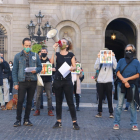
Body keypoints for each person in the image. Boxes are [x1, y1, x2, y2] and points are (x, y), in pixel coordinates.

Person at [51, 38, 80, 130]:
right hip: (57, 80)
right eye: (61, 42)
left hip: (67, 81)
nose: (61, 43)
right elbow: (51, 63)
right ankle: (58, 121)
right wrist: (54, 50)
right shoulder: (57, 54)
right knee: (58, 102)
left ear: (67, 45)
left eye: (63, 42)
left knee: (70, 102)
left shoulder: (71, 55)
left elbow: (75, 67)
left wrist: (72, 68)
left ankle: (74, 122)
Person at [12, 38, 42, 127]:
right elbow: (14, 70)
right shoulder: (18, 56)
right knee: (20, 101)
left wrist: (36, 70)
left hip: (32, 81)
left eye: (29, 46)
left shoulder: (35, 56)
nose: (28, 47)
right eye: (26, 46)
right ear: (23, 45)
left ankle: (26, 119)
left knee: (29, 101)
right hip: (22, 81)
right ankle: (18, 120)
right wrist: (15, 83)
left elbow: (40, 67)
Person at [113, 44, 140, 131]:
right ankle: (116, 122)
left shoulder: (136, 62)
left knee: (132, 105)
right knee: (119, 105)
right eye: (127, 50)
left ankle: (134, 123)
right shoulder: (121, 60)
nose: (128, 52)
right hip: (122, 84)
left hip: (132, 85)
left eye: (130, 50)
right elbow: (117, 72)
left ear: (133, 51)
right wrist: (124, 81)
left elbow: (138, 74)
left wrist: (127, 80)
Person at [94, 49, 117, 118]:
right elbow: (96, 67)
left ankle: (111, 112)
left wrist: (113, 57)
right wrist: (98, 57)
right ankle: (99, 112)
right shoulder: (100, 61)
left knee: (110, 97)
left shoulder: (110, 62)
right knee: (100, 97)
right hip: (100, 81)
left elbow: (115, 66)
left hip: (109, 81)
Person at [33, 47, 54, 116]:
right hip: (40, 80)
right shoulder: (38, 61)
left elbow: (53, 68)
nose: (43, 52)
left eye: (44, 51)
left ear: (47, 53)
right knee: (38, 95)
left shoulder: (50, 61)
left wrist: (53, 69)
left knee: (49, 96)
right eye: (42, 51)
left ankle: (50, 110)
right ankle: (37, 110)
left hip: (48, 80)